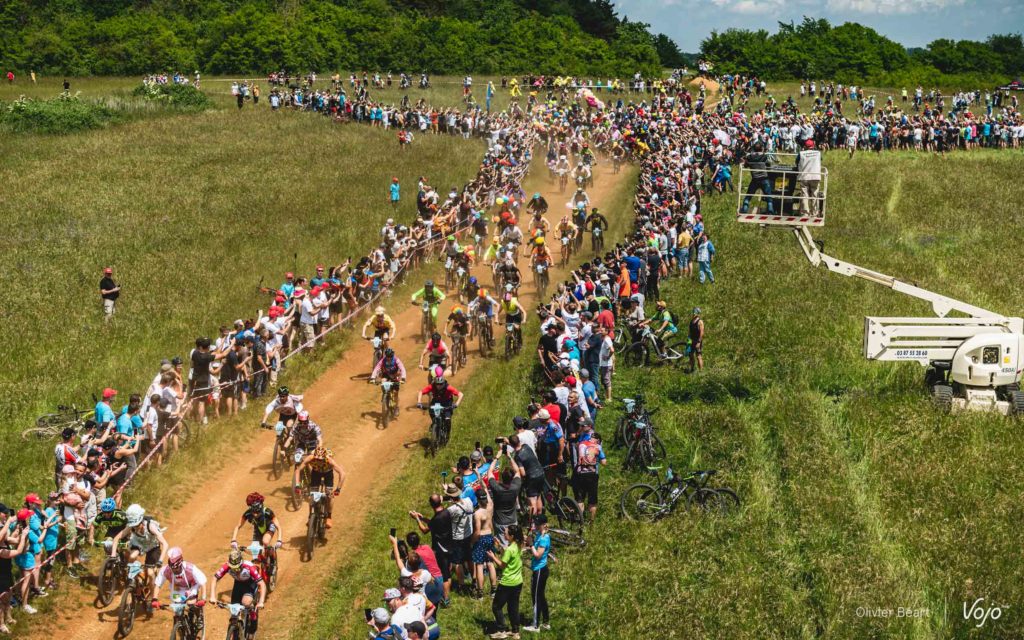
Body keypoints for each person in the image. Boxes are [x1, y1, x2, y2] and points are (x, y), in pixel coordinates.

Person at [110, 503, 168, 589]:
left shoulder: (151, 526)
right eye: (132, 525)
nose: (135, 527)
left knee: (150, 574)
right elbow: (116, 538)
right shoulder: (131, 526)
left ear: (141, 520)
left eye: (136, 525)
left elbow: (165, 544)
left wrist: (160, 561)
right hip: (138, 544)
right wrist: (113, 555)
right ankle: (133, 577)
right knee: (131, 556)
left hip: (152, 546)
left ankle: (152, 599)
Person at [152, 547, 208, 631]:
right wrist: (154, 599)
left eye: (176, 568)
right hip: (178, 589)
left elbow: (203, 582)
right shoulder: (166, 570)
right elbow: (158, 584)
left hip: (191, 587)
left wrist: (203, 599)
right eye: (172, 568)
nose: (174, 570)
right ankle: (179, 625)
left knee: (190, 603)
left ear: (181, 564)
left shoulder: (190, 568)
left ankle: (199, 616)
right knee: (178, 611)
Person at [211, 550, 266, 634]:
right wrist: (212, 596)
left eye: (237, 567)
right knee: (234, 612)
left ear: (241, 562)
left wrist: (261, 602)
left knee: (246, 602)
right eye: (233, 568)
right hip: (238, 584)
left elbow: (262, 584)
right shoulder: (226, 566)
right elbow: (215, 578)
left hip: (250, 584)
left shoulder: (249, 567)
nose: (236, 570)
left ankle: (253, 614)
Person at [487, 523, 524, 639]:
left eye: (506, 532)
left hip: (507, 583)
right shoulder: (519, 545)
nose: (504, 533)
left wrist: (493, 557)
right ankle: (515, 631)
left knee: (496, 607)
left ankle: (501, 629)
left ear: (512, 536)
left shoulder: (509, 549)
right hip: (518, 582)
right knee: (513, 607)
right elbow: (508, 556)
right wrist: (500, 547)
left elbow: (502, 565)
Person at [293, 445, 346, 528]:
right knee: (312, 496)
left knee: (330, 495)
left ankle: (329, 516)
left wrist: (338, 489)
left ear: (325, 458)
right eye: (317, 459)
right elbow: (298, 470)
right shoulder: (310, 458)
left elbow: (342, 473)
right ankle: (310, 516)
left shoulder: (329, 460)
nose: (319, 461)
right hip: (316, 472)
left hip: (328, 473)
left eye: (321, 460)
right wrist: (297, 485)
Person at [230, 492, 283, 561]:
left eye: (258, 512)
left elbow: (278, 526)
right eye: (253, 512)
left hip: (269, 527)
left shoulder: (267, 512)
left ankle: (273, 560)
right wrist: (233, 540)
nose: (255, 514)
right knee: (255, 553)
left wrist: (279, 540)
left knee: (265, 541)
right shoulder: (247, 513)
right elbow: (238, 526)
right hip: (258, 530)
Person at [572, 422, 607, 522]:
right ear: (598, 440)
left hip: (580, 473)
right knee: (592, 501)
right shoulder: (598, 447)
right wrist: (598, 459)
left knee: (580, 499)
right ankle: (591, 522)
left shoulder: (581, 444)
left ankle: (580, 521)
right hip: (592, 474)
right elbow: (604, 462)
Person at [522, 515, 552, 633]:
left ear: (544, 525)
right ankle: (546, 622)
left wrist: (530, 545)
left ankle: (535, 626)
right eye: (534, 523)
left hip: (539, 570)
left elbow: (538, 555)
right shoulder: (541, 535)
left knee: (536, 597)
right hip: (540, 569)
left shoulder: (544, 538)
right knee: (541, 596)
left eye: (537, 524)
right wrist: (529, 542)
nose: (535, 525)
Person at [739, 142, 773, 214]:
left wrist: (744, 160)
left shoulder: (750, 157)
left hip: (755, 179)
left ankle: (745, 208)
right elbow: (769, 165)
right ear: (761, 148)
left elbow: (745, 165)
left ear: (754, 148)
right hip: (764, 178)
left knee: (749, 194)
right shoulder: (764, 156)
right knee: (768, 195)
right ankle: (770, 210)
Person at [796, 139, 822, 215]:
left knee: (805, 194)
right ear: (813, 146)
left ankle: (805, 213)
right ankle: (815, 212)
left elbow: (796, 162)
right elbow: (820, 160)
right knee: (815, 194)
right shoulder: (818, 153)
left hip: (804, 176)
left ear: (805, 146)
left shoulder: (801, 153)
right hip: (815, 176)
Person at [688, 307, 705, 372]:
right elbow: (689, 331)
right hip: (691, 340)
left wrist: (699, 342)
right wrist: (688, 339)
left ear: (698, 313)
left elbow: (702, 332)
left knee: (698, 356)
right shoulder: (691, 321)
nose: (693, 314)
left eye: (694, 312)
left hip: (697, 340)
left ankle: (701, 371)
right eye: (693, 312)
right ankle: (692, 369)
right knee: (690, 355)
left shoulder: (700, 321)